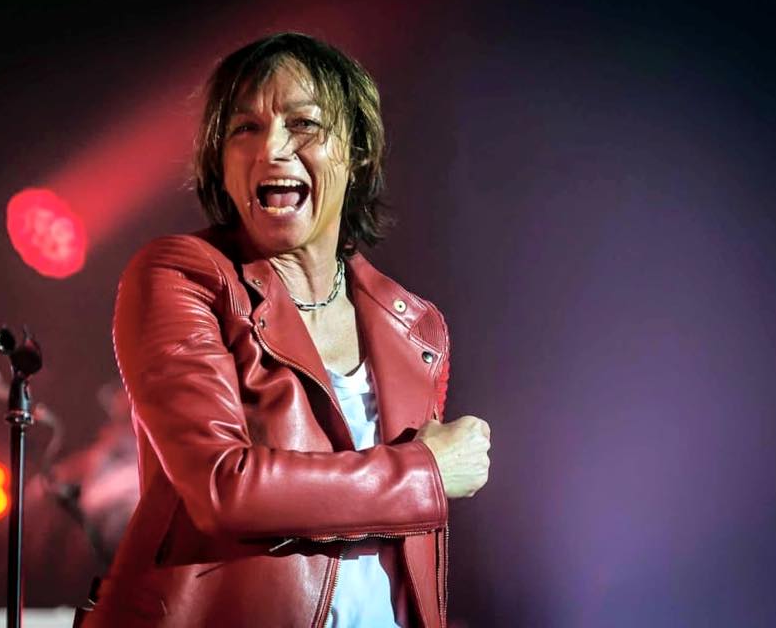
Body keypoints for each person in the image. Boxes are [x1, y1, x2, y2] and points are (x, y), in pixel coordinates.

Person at [75, 32, 491, 628]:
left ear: (357, 153)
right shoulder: (183, 277)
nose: (271, 148)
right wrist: (426, 471)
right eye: (245, 128)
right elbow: (224, 487)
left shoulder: (413, 326)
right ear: (221, 163)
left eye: (303, 124)